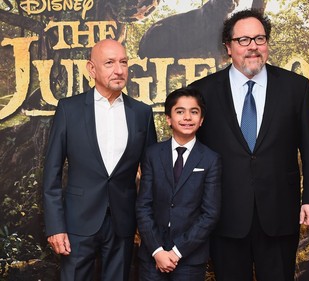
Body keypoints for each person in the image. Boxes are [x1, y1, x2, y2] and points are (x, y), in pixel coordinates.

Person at [190, 9, 309, 281]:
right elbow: (195, 155)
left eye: (260, 39)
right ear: (228, 47)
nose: (253, 46)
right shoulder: (203, 92)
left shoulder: (295, 88)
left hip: (279, 212)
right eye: (244, 40)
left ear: (267, 44)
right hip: (224, 215)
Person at [42, 39, 157, 281]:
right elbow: (51, 173)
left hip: (123, 222)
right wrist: (55, 226)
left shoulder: (142, 113)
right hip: (76, 222)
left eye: (123, 62)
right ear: (91, 69)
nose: (119, 70)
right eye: (110, 63)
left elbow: (151, 175)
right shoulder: (68, 110)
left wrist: (148, 227)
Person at [136, 87, 222, 281]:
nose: (187, 118)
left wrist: (177, 251)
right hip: (152, 254)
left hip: (189, 257)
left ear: (201, 120)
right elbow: (143, 206)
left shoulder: (210, 159)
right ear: (168, 119)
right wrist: (157, 250)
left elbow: (210, 213)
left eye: (194, 112)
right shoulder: (152, 155)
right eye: (180, 111)